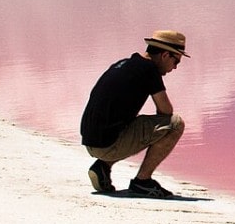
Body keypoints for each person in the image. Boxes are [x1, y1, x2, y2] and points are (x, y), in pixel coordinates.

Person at [81, 30, 189, 198]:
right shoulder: (149, 70)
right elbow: (166, 111)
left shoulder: (124, 63)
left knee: (133, 124)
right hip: (107, 145)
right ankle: (142, 182)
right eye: (176, 61)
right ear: (165, 55)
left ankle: (102, 167)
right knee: (175, 124)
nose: (175, 67)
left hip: (91, 142)